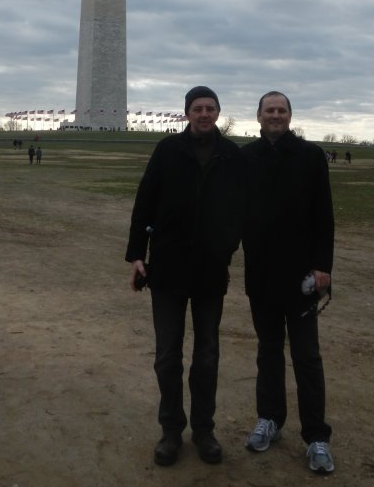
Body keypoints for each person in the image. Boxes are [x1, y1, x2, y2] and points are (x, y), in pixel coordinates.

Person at [125, 86, 245, 467]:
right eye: (198, 108)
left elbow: (240, 209)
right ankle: (171, 431)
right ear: (187, 113)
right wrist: (136, 256)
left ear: (218, 113)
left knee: (207, 356)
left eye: (210, 108)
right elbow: (145, 200)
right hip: (168, 267)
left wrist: (227, 249)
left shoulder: (231, 155)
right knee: (167, 356)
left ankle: (204, 430)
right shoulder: (167, 149)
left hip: (210, 270)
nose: (204, 114)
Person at [242, 91, 335, 474]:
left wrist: (322, 266)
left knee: (307, 357)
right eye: (269, 110)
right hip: (261, 273)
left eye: (281, 110)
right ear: (259, 116)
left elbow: (323, 216)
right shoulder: (245, 157)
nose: (275, 115)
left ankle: (316, 436)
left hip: (301, 276)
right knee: (267, 352)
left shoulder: (311, 157)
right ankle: (270, 419)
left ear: (290, 116)